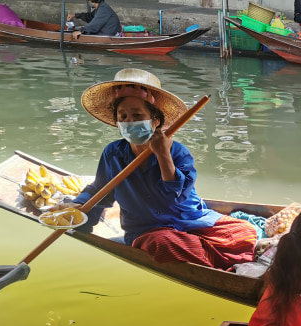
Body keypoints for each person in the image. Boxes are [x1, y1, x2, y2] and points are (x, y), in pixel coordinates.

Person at [53, 69, 258, 269]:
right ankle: (224, 260)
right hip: (148, 230)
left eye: (137, 115)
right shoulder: (113, 153)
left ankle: (213, 255)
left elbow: (175, 197)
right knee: (163, 245)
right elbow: (100, 190)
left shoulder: (178, 152)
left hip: (190, 219)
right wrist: (78, 206)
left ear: (155, 120)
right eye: (122, 117)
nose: (129, 122)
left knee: (244, 231)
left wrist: (163, 154)